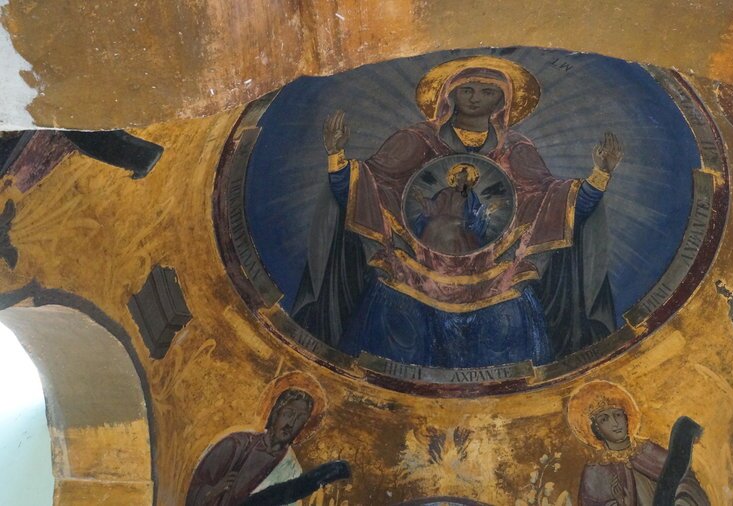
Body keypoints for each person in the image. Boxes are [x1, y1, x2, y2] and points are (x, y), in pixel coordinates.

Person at [292, 56, 620, 368]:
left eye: (487, 92)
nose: (475, 99)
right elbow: (366, 189)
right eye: (467, 90)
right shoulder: (415, 140)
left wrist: (599, 176)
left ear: (501, 102)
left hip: (496, 280)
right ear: (450, 95)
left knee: (510, 334)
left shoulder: (516, 150)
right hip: (412, 273)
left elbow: (555, 203)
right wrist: (336, 157)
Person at [186, 389, 345, 506]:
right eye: (288, 414)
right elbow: (194, 490)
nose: (291, 424)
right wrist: (213, 492)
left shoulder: (291, 469)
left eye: (300, 419)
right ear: (275, 413)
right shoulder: (236, 444)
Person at [567, 381, 709, 506]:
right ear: (596, 429)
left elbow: (684, 480)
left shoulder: (647, 450)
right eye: (604, 419)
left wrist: (681, 502)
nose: (615, 423)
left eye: (617, 415)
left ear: (626, 417)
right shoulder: (595, 471)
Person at [411, 163, 490, 254]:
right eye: (459, 177)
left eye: (465, 178)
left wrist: (486, 212)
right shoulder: (446, 192)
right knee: (433, 232)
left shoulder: (471, 197)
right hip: (439, 225)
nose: (462, 181)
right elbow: (435, 208)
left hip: (458, 227)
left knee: (458, 244)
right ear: (455, 178)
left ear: (470, 181)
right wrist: (421, 200)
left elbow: (475, 214)